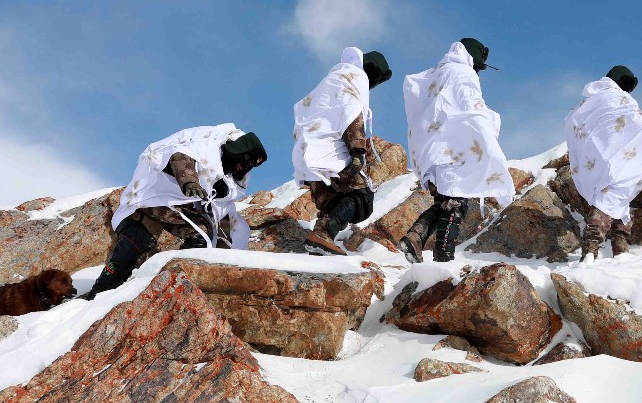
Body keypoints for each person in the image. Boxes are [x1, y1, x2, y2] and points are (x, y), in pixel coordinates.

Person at [86, 125, 267, 297]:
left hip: (184, 209)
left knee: (202, 239)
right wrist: (190, 182)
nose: (244, 167)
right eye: (243, 162)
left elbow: (222, 215)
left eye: (249, 164)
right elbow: (180, 157)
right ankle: (95, 299)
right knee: (135, 244)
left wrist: (221, 255)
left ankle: (173, 282)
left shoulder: (234, 180)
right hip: (152, 200)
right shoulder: (206, 147)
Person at [399, 38, 515, 262]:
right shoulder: (463, 73)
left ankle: (415, 237)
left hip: (429, 152)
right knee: (455, 204)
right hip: (452, 152)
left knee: (444, 201)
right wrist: (488, 135)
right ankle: (444, 257)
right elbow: (470, 108)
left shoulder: (436, 73)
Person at [292, 47, 393, 254]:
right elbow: (351, 115)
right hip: (332, 152)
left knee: (333, 198)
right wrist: (357, 152)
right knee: (361, 198)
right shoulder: (354, 79)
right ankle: (323, 234)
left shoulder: (331, 81)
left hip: (308, 151)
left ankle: (319, 239)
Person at [564, 65, 642, 262]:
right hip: (616, 159)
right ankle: (590, 252)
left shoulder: (586, 102)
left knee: (618, 200)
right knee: (613, 196)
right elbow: (640, 126)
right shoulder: (620, 99)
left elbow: (573, 125)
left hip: (592, 159)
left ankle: (620, 252)